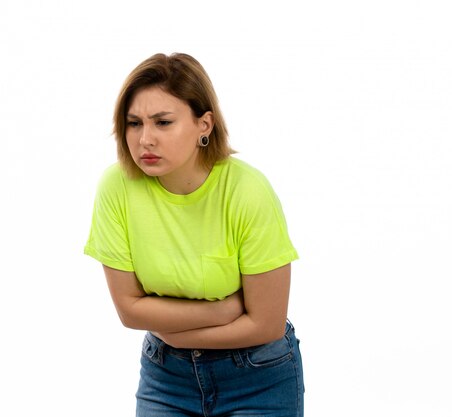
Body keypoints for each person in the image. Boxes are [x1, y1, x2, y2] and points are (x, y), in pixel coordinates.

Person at [84, 52, 304, 417]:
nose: (145, 139)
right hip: (166, 378)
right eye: (134, 123)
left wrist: (173, 335)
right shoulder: (117, 186)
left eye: (163, 122)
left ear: (205, 124)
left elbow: (267, 323)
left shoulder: (247, 191)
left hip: (258, 376)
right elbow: (130, 310)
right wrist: (224, 310)